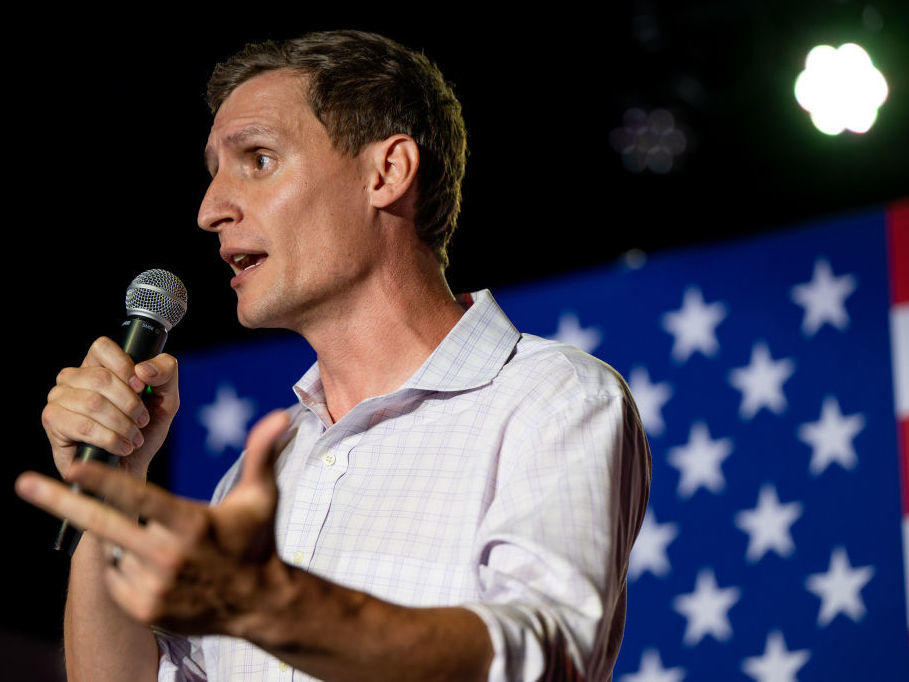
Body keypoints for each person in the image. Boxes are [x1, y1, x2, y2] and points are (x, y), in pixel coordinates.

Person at [18, 30, 651, 681]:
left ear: (386, 173)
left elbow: (543, 659)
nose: (210, 209)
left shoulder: (551, 399)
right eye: (212, 171)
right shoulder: (261, 471)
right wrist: (110, 490)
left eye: (257, 160)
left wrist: (274, 606)